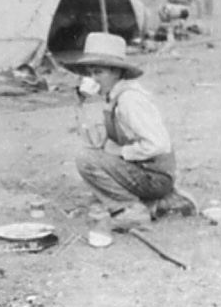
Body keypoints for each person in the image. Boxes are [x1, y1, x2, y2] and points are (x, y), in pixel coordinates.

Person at [61, 33, 198, 228]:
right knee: (95, 154)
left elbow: (159, 144)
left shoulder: (129, 100)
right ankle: (161, 204)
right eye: (90, 73)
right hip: (146, 171)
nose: (93, 78)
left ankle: (131, 209)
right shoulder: (113, 97)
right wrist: (83, 105)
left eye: (98, 72)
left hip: (155, 174)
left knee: (86, 159)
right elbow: (100, 140)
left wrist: (123, 152)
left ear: (116, 73)